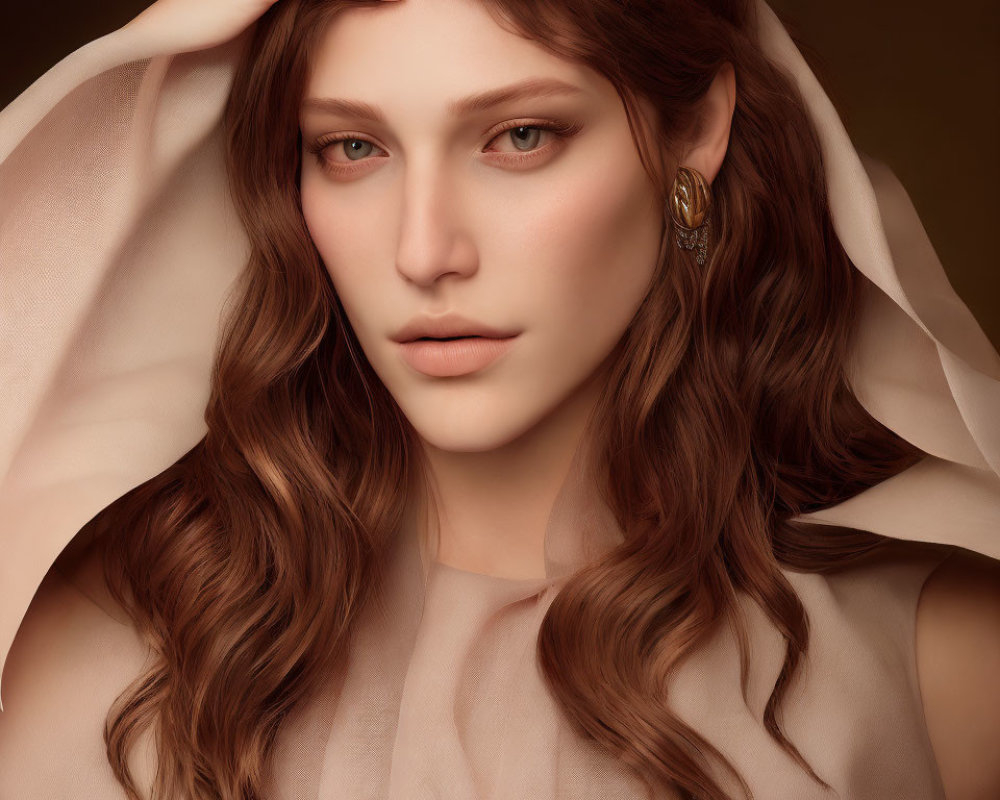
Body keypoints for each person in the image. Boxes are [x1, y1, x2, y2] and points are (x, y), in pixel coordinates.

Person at [0, 0, 998, 798]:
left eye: (519, 135)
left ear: (692, 128)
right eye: (353, 148)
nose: (425, 251)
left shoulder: (945, 673)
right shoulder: (118, 656)